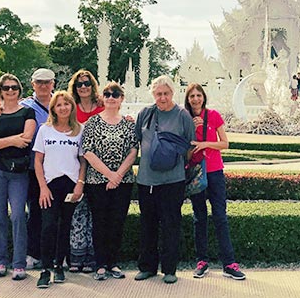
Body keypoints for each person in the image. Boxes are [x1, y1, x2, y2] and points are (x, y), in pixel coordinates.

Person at [134, 75, 196, 284]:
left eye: (166, 93)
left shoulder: (182, 115)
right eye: (159, 94)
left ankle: (170, 269)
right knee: (148, 223)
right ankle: (147, 267)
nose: (162, 98)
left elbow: (190, 144)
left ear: (172, 93)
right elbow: (137, 140)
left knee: (171, 224)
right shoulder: (145, 114)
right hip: (147, 179)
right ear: (153, 94)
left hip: (173, 179)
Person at [185, 83, 246, 281]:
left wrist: (205, 143)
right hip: (195, 172)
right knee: (199, 217)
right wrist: (191, 132)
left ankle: (229, 263)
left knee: (220, 216)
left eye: (198, 95)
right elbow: (183, 148)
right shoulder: (185, 118)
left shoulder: (214, 115)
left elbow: (225, 143)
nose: (195, 99)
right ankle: (202, 261)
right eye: (192, 96)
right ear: (187, 98)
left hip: (215, 172)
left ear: (204, 97)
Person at [0, 74, 36, 280]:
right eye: (6, 88)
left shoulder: (27, 112)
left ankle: (19, 264)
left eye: (14, 87)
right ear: (0, 91)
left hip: (18, 172)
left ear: (19, 90)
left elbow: (27, 139)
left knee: (18, 216)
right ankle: (0, 261)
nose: (10, 91)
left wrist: (1, 142)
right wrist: (13, 139)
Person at [81, 81, 138, 281]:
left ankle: (113, 262)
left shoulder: (129, 124)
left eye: (115, 94)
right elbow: (87, 151)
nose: (111, 97)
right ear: (102, 98)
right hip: (97, 181)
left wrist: (118, 175)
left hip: (123, 182)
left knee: (117, 222)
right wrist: (109, 174)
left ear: (122, 99)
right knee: (100, 222)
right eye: (107, 94)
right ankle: (100, 264)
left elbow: (133, 150)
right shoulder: (92, 123)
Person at [33, 91, 86, 289]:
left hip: (70, 184)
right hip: (50, 185)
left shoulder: (79, 130)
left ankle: (59, 265)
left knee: (65, 226)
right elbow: (38, 161)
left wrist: (80, 184)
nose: (63, 107)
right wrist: (43, 188)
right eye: (58, 105)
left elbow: (82, 161)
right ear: (53, 109)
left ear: (72, 107)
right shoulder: (44, 130)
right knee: (48, 226)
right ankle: (45, 269)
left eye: (66, 104)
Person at [66, 69, 103, 273]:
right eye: (79, 84)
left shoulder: (102, 105)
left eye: (87, 83)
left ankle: (92, 257)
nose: (83, 87)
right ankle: (76, 256)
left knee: (96, 213)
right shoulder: (71, 107)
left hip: (99, 167)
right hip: (76, 165)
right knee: (78, 214)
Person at [21, 68, 55, 270]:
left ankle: (56, 254)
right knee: (34, 211)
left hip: (59, 169)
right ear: (32, 84)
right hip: (34, 168)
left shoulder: (61, 102)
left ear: (53, 83)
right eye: (39, 82)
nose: (43, 86)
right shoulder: (24, 106)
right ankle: (33, 253)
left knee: (56, 214)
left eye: (47, 82)